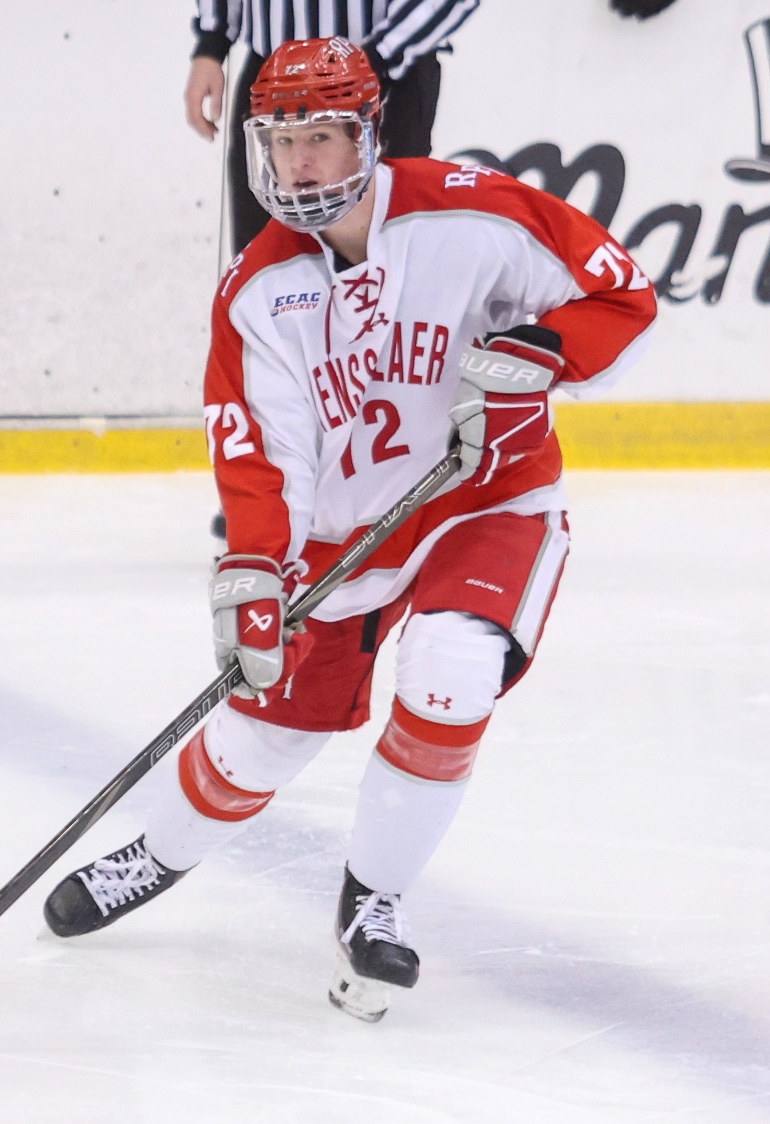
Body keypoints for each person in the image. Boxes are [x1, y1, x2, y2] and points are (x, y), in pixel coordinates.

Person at [45, 37, 657, 1022]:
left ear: (368, 135)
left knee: (449, 673)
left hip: (481, 499)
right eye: (281, 141)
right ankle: (154, 853)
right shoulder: (257, 291)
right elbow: (259, 455)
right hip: (344, 539)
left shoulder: (471, 213)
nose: (297, 165)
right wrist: (254, 569)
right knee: (256, 742)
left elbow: (620, 294)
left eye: (321, 138)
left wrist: (539, 349)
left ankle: (374, 899)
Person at [185, 0, 480, 257]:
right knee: (266, 250)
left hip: (386, 72)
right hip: (274, 74)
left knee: (390, 247)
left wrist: (377, 58)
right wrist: (212, 43)